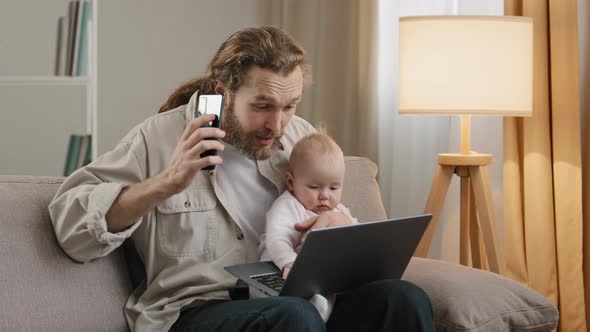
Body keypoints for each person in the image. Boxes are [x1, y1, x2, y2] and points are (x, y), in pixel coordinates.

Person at [49, 26, 435, 332]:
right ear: (224, 92)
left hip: (300, 299)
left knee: (401, 298)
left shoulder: (299, 139)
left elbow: (332, 216)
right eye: (263, 106)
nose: (277, 124)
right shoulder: (157, 138)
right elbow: (72, 230)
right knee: (295, 317)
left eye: (289, 106)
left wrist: (338, 226)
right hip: (197, 311)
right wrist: (165, 182)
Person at [260, 131, 354, 321]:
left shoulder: (340, 211)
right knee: (308, 306)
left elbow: (360, 234)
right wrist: (288, 261)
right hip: (280, 275)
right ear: (291, 182)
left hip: (320, 277)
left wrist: (348, 223)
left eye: (334, 188)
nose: (325, 195)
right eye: (314, 187)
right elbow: (277, 238)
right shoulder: (287, 206)